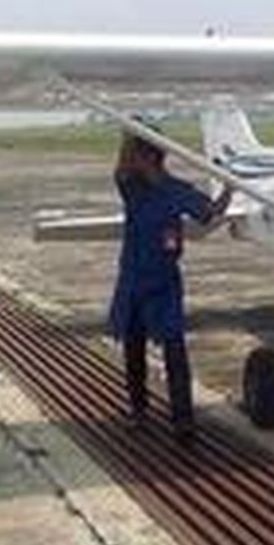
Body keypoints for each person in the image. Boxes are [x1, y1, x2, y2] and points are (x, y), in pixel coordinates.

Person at [109, 133, 231, 440]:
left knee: (174, 350)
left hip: (163, 282)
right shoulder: (132, 187)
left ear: (150, 157)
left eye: (137, 154)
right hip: (133, 279)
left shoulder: (177, 191)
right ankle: (139, 411)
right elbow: (121, 169)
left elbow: (210, 213)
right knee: (133, 348)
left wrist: (230, 185)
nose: (130, 160)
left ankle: (183, 420)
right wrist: (130, 134)